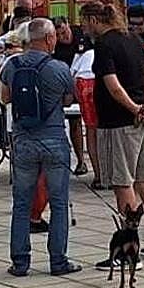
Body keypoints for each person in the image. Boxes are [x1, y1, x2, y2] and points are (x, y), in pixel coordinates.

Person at [87, 2, 144, 265]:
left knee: (123, 183)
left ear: (93, 19)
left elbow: (112, 86)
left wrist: (134, 108)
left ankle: (128, 250)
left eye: (84, 21)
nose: (83, 27)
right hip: (141, 124)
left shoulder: (104, 45)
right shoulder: (135, 40)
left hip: (117, 123)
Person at [0, 19, 82, 277]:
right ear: (48, 39)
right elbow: (69, 100)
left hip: (23, 140)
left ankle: (20, 262)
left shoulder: (12, 64)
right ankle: (58, 261)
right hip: (54, 138)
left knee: (22, 203)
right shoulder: (59, 68)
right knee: (58, 202)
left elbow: (4, 97)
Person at [53, 18, 89, 176]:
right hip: (65, 86)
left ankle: (87, 160)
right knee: (72, 123)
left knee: (86, 124)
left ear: (69, 25)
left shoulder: (81, 35)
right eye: (59, 34)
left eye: (64, 32)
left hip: (85, 85)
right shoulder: (56, 47)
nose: (63, 37)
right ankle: (76, 160)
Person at [70, 24, 102, 189]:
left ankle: (98, 174)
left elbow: (72, 74)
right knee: (103, 130)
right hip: (99, 80)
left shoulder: (82, 53)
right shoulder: (103, 48)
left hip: (84, 82)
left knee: (91, 129)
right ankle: (105, 172)